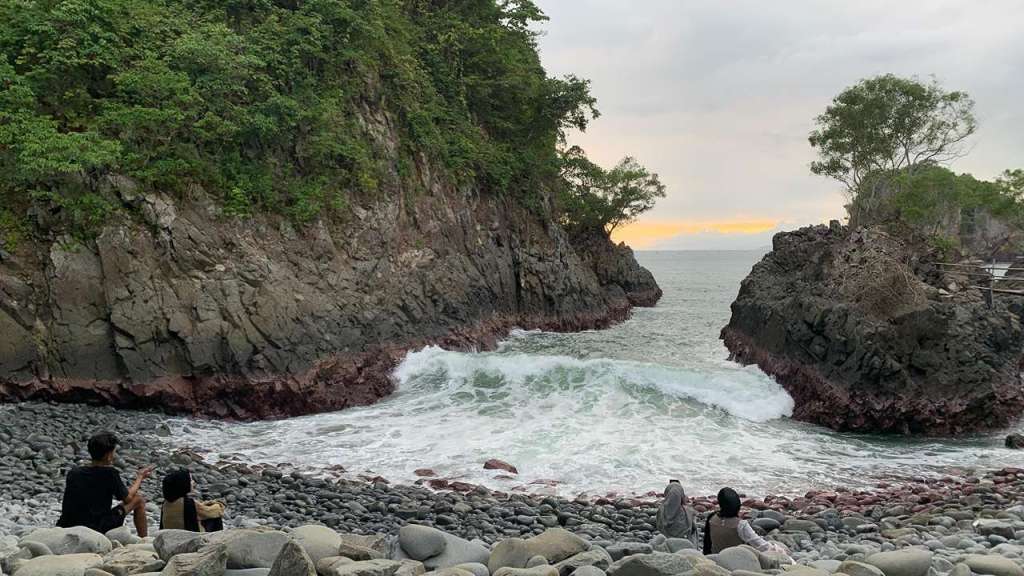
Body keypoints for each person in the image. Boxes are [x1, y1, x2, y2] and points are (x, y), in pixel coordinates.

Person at [57, 432, 153, 537]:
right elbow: (128, 498)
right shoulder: (110, 474)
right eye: (113, 452)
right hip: (96, 526)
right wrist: (140, 477)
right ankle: (144, 539)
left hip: (67, 525)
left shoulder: (74, 472)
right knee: (138, 500)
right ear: (108, 455)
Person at [703, 487, 791, 561]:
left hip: (716, 558)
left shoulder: (711, 517)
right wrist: (780, 551)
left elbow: (707, 543)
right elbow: (761, 545)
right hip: (737, 561)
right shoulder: (741, 525)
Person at [159, 468, 225, 532]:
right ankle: (218, 538)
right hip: (188, 536)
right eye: (190, 480)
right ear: (183, 484)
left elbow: (199, 507)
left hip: (168, 534)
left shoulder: (166, 503)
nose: (193, 482)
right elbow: (210, 512)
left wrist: (206, 503)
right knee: (216, 516)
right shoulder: (189, 503)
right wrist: (218, 504)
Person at [656, 480, 698, 544]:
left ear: (667, 493)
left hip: (666, 543)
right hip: (685, 544)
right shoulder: (688, 512)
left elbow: (659, 526)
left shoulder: (660, 510)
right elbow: (693, 529)